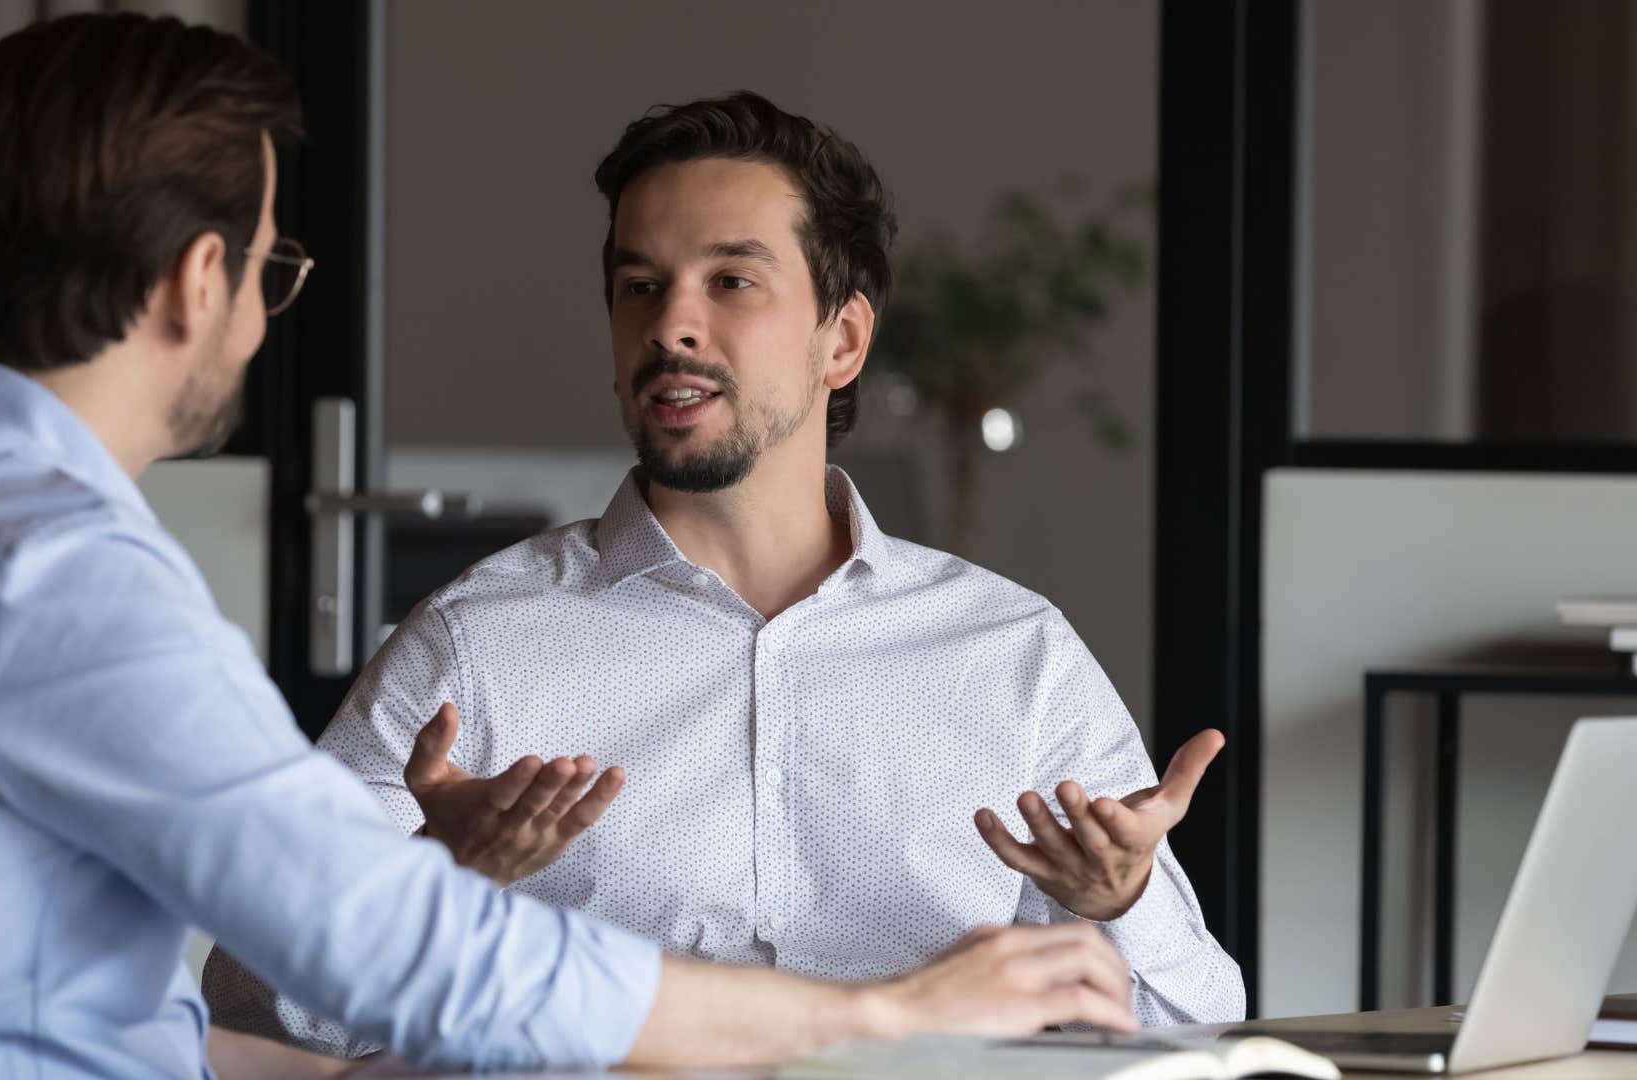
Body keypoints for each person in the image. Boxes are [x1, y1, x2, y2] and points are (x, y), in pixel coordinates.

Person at [0, 16, 1142, 1080]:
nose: (673, 323)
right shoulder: (46, 567)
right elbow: (371, 949)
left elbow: (103, 1000)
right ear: (198, 280)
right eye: (274, 268)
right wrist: (882, 1018)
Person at [205, 91, 1244, 1054]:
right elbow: (255, 1016)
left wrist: (1120, 897)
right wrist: (436, 882)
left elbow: (1196, 1024)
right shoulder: (475, 647)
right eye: (639, 287)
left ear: (841, 340)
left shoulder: (1014, 655)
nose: (670, 325)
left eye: (732, 282)